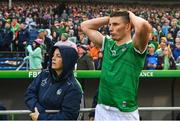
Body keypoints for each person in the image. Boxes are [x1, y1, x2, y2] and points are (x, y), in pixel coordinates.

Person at [81, 10, 152, 120]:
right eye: (110, 24)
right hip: (101, 108)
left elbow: (143, 26)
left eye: (115, 24)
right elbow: (85, 26)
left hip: (124, 113)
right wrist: (110, 18)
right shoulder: (108, 43)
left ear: (128, 26)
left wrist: (129, 14)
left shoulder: (135, 47)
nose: (110, 28)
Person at [25, 45, 82, 120]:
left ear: (67, 60)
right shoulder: (44, 74)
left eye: (58, 56)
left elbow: (67, 117)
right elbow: (29, 93)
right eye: (53, 55)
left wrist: (41, 118)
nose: (53, 58)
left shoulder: (73, 87)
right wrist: (39, 110)